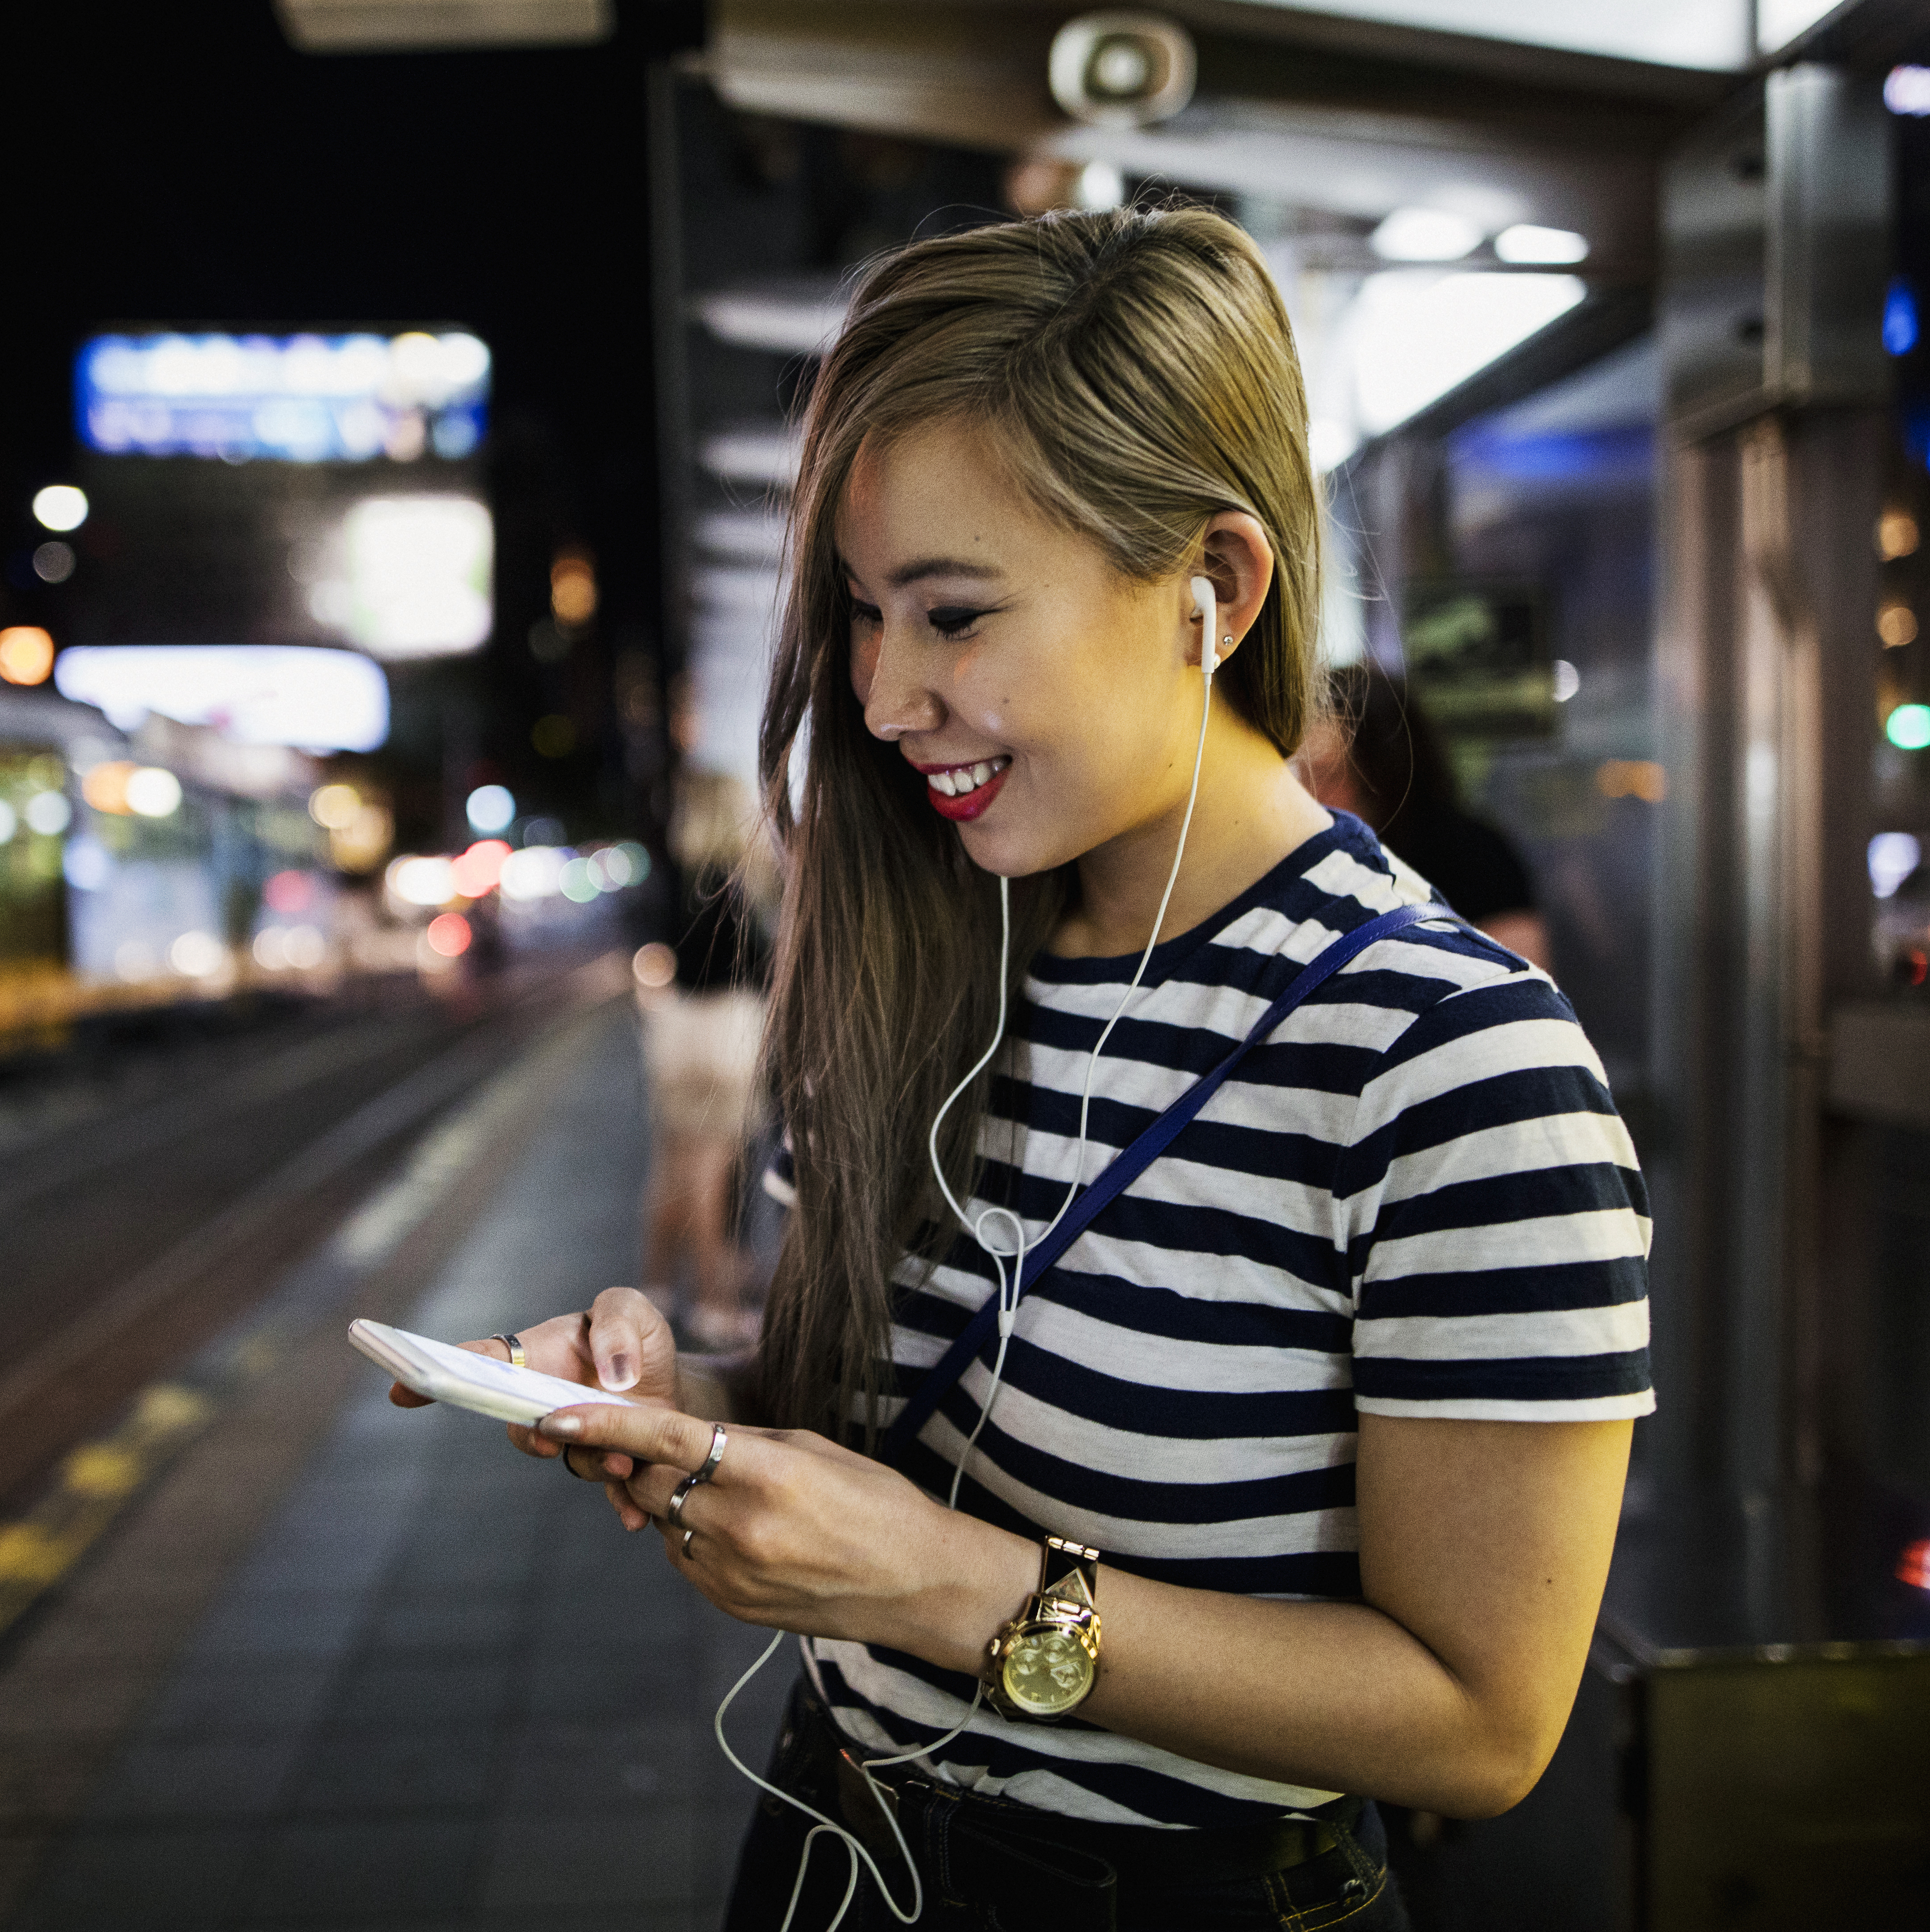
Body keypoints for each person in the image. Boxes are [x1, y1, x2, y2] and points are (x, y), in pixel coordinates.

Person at [389, 206, 1650, 1930]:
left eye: (954, 612)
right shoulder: (928, 954)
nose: (889, 694)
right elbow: (931, 1391)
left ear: (1212, 589)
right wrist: (699, 1394)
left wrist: (940, 1585)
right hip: (836, 1849)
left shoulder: (1442, 1052)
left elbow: (1478, 1718)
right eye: (858, 613)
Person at [636, 764, 773, 1348]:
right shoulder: (737, 881)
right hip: (726, 1033)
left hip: (675, 1030)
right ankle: (715, 1305)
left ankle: (655, 1288)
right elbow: (758, 966)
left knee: (671, 1164)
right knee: (712, 1172)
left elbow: (652, 956)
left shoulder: (669, 876)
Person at [1300, 664, 1552, 969]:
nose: (1308, 794)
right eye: (1298, 775)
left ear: (1381, 769)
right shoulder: (1319, 862)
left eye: (1326, 774)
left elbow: (1521, 990)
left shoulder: (1474, 854)